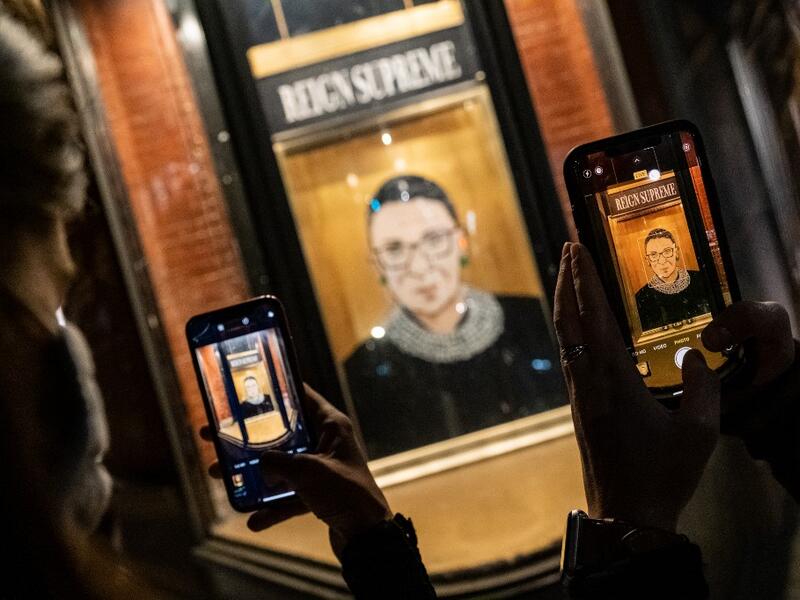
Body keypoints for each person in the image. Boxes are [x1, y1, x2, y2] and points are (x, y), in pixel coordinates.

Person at [554, 242, 799, 598]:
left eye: (668, 253)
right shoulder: (643, 298)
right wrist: (781, 406)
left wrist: (627, 522)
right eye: (653, 256)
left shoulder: (696, 281)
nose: (662, 262)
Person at [345, 175, 563, 458]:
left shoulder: (538, 320)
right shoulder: (361, 375)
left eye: (434, 239)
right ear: (377, 266)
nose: (419, 266)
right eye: (394, 249)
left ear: (461, 241)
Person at [635, 228, 710, 331]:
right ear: (648, 260)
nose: (662, 261)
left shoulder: (700, 279)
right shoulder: (641, 297)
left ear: (676, 252)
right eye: (653, 255)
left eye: (667, 251)